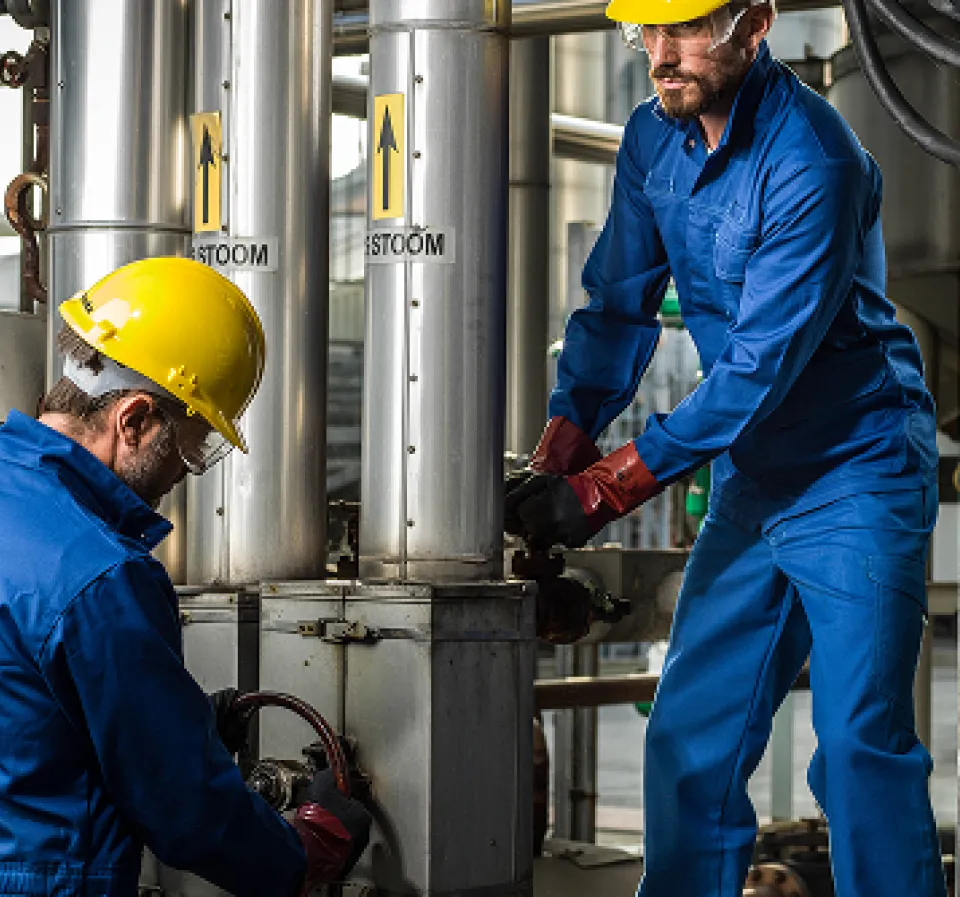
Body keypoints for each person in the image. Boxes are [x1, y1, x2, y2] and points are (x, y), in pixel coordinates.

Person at [506, 2, 945, 895]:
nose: (661, 56)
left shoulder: (813, 161)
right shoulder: (651, 140)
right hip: (755, 478)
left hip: (855, 467)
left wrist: (603, 491)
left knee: (859, 746)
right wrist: (557, 452)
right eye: (646, 32)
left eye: (688, 28)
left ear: (756, 22)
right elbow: (616, 308)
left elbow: (755, 372)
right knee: (688, 738)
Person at [0, 257, 371, 897]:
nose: (185, 473)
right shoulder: (101, 575)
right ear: (135, 420)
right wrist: (305, 848)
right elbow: (182, 808)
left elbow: (30, 710)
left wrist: (180, 720)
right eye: (192, 444)